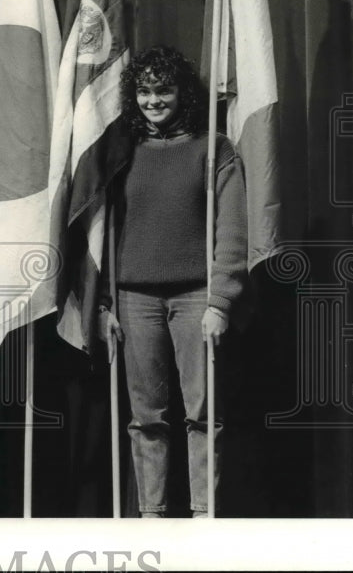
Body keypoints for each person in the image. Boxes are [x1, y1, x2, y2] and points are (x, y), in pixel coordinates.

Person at [99, 45, 247, 518]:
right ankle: (152, 517)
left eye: (163, 90)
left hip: (196, 296)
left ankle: (204, 516)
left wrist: (220, 301)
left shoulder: (214, 148)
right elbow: (99, 232)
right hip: (132, 298)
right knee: (146, 419)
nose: (153, 100)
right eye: (143, 91)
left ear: (183, 92)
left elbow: (234, 230)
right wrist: (103, 302)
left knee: (203, 413)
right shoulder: (120, 151)